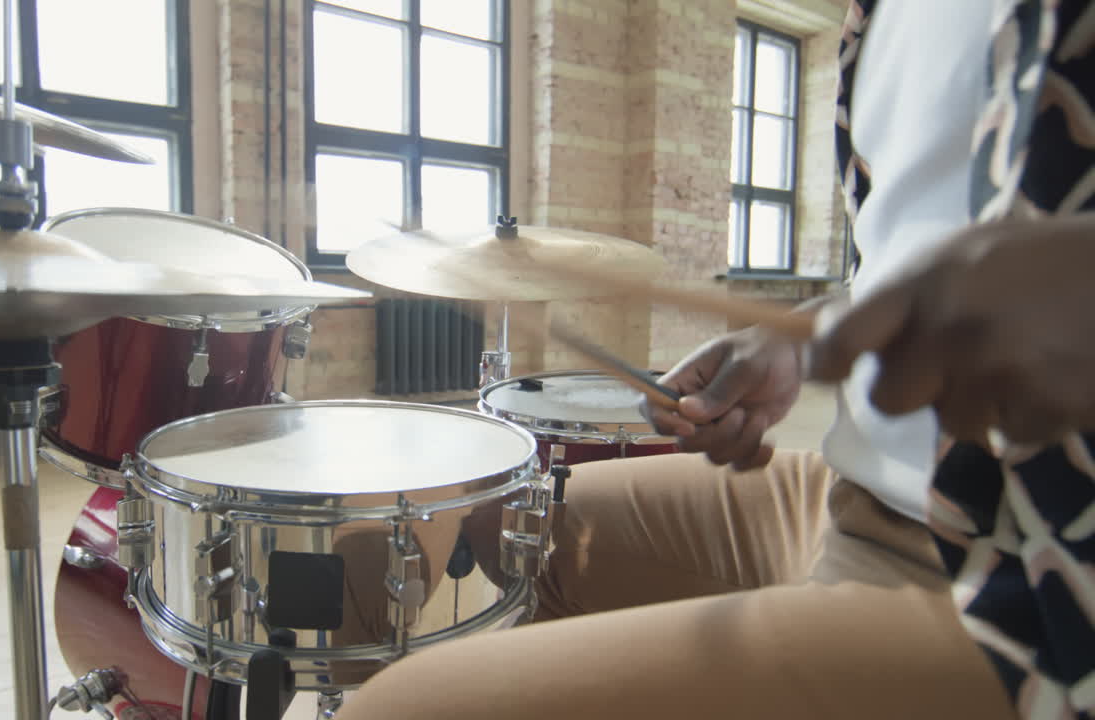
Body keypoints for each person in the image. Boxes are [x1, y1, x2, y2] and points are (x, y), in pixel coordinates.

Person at [334, 2, 1095, 718]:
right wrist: (797, 332)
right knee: (511, 519)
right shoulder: (881, 17)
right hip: (858, 490)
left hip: (1029, 581)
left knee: (399, 710)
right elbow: (915, 247)